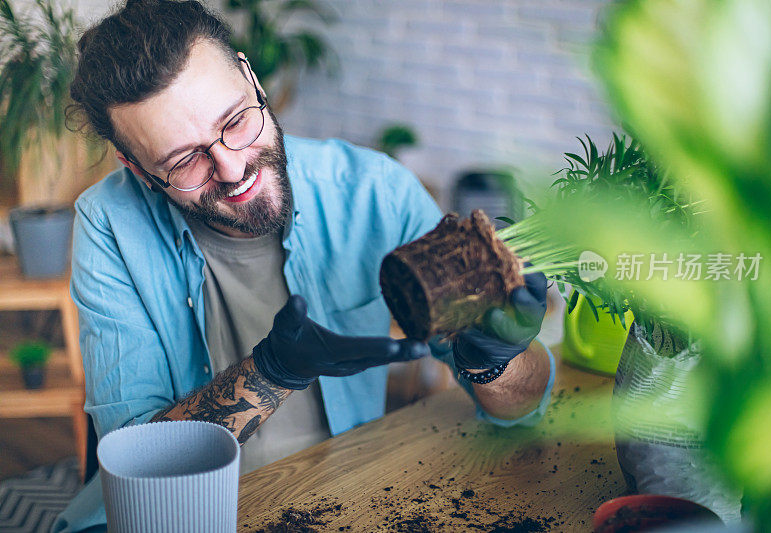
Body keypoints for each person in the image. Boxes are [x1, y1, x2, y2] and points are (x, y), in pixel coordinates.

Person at [53, 0, 555, 530]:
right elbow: (137, 466)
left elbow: (522, 411)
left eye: (236, 120)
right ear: (137, 167)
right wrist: (271, 371)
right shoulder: (108, 224)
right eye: (184, 161)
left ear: (252, 77)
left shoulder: (374, 192)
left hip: (343, 497)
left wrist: (494, 360)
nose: (232, 166)